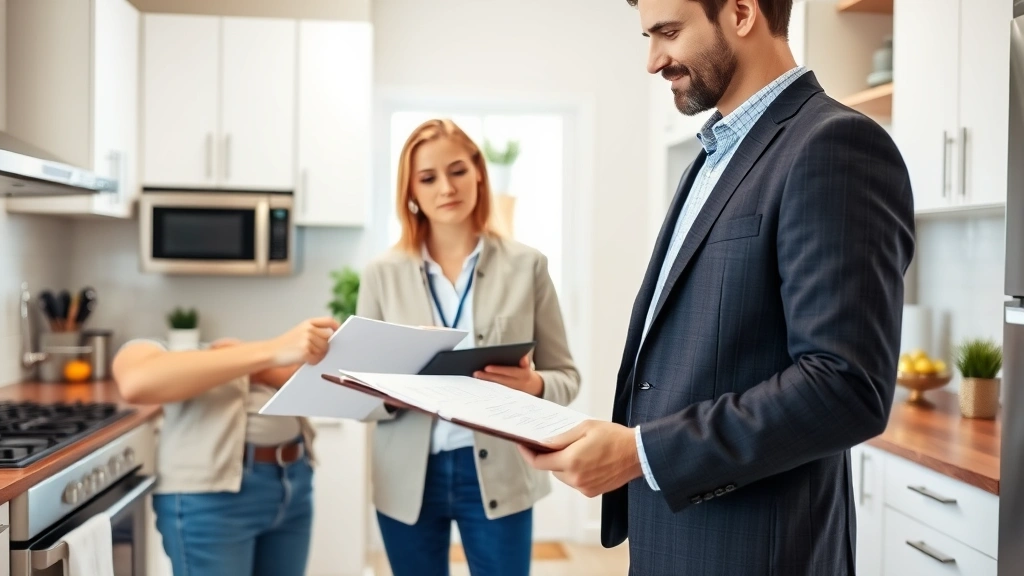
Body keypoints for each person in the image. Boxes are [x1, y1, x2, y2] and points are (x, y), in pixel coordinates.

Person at [518, 0, 916, 574]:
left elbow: (845, 387)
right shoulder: (710, 159)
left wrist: (641, 453)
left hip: (758, 553)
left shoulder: (835, 145)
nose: (653, 60)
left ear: (742, 12)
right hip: (678, 537)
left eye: (669, 32)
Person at [356, 118, 581, 576]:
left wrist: (534, 385)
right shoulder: (381, 273)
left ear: (479, 172)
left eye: (457, 170)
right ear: (410, 191)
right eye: (428, 178)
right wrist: (392, 393)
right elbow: (359, 392)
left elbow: (566, 378)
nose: (446, 187)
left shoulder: (528, 266)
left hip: (501, 472)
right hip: (406, 478)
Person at [112, 316, 340, 576]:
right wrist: (271, 351)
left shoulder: (257, 360)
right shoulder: (157, 349)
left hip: (294, 484)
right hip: (212, 501)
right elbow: (136, 381)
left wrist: (262, 366)